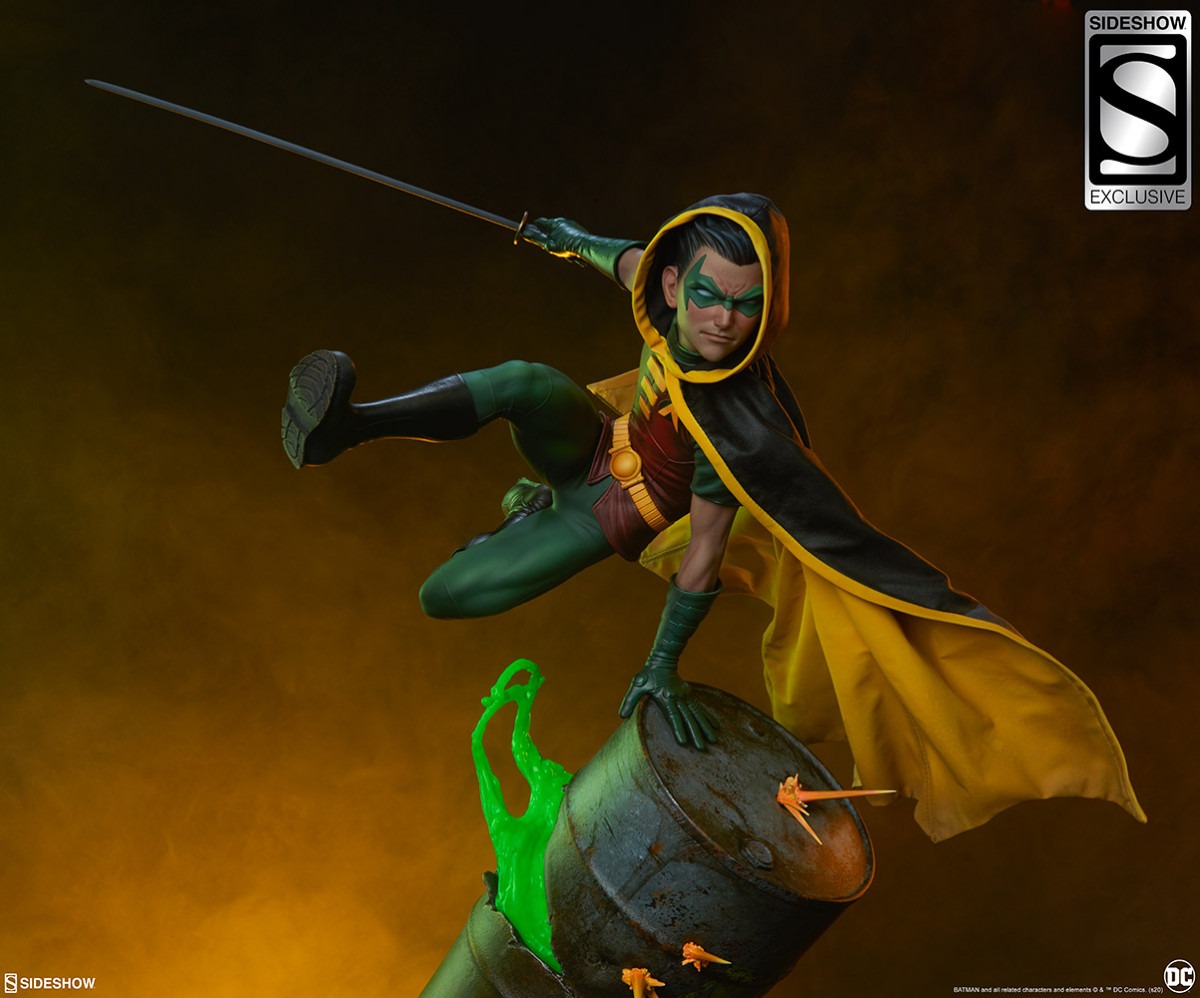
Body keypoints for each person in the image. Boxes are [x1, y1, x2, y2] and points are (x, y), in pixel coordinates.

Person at [282, 193, 1145, 840]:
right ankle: (346, 429)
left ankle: (522, 523)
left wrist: (663, 665)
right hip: (594, 437)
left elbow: (701, 552)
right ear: (675, 283)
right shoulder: (665, 304)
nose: (723, 320)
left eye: (745, 305)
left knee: (443, 595)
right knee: (524, 382)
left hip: (615, 512)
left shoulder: (738, 427)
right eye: (706, 295)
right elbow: (621, 257)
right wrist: (565, 238)